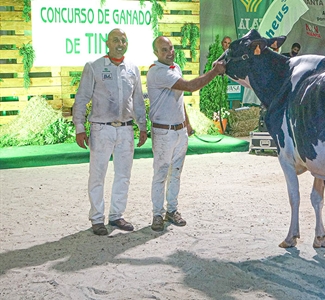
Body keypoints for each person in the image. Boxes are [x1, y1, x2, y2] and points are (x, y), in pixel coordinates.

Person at [72, 28, 147, 236]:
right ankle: (97, 218)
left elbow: (138, 100)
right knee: (97, 175)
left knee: (123, 175)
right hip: (101, 129)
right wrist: (80, 127)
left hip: (125, 130)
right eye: (116, 40)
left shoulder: (133, 69)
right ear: (107, 43)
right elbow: (81, 98)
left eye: (124, 40)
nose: (120, 43)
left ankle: (116, 215)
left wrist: (142, 126)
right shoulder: (94, 67)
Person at [147, 36, 226, 231]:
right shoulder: (158, 72)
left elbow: (179, 96)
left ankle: (171, 210)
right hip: (164, 132)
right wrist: (215, 71)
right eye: (164, 50)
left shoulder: (174, 68)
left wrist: (187, 123)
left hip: (179, 130)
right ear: (156, 53)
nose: (169, 52)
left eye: (171, 48)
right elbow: (190, 87)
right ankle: (157, 214)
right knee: (161, 174)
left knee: (176, 173)